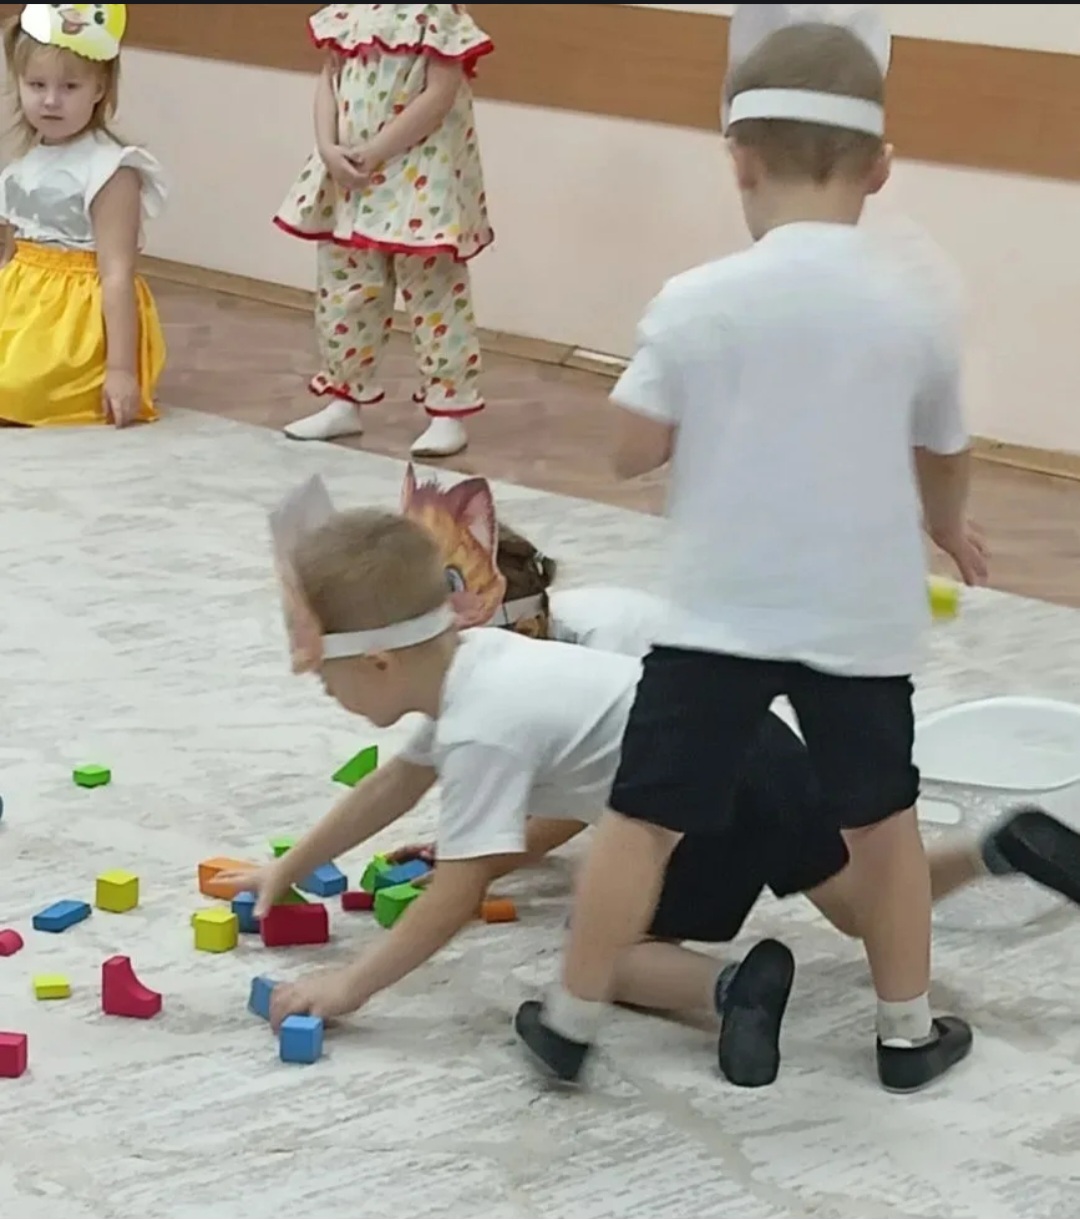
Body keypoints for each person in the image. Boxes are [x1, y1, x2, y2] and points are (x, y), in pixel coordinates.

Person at [514, 6, 991, 1094]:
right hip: (860, 617)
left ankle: (572, 1016)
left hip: (717, 613)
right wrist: (946, 524)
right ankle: (906, 1031)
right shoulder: (913, 306)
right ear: (879, 167)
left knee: (641, 817)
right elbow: (944, 450)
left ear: (739, 159)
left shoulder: (696, 300)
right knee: (882, 824)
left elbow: (632, 449)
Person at [226, 491, 1080, 1093]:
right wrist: (288, 869)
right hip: (764, 747)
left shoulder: (483, 724)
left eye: (327, 680)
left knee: (599, 945)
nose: (326, 693)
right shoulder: (481, 662)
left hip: (695, 802)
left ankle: (731, 990)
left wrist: (350, 986)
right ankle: (994, 848)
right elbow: (393, 785)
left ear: (380, 662)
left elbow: (457, 890)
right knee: (863, 907)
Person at [275, 3, 494, 459]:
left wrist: (376, 150)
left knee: (434, 293)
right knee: (346, 287)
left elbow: (439, 94)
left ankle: (447, 409)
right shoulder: (350, 10)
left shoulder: (437, 14)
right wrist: (328, 147)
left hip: (420, 174)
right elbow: (329, 79)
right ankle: (344, 398)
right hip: (351, 173)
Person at [0, 4, 167, 428]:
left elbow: (117, 274)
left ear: (99, 88)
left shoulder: (111, 169)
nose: (50, 100)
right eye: (36, 84)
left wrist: (121, 370)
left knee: (17, 389)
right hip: (23, 305)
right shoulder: (21, 168)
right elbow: (11, 255)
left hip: (76, 321)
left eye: (70, 86)